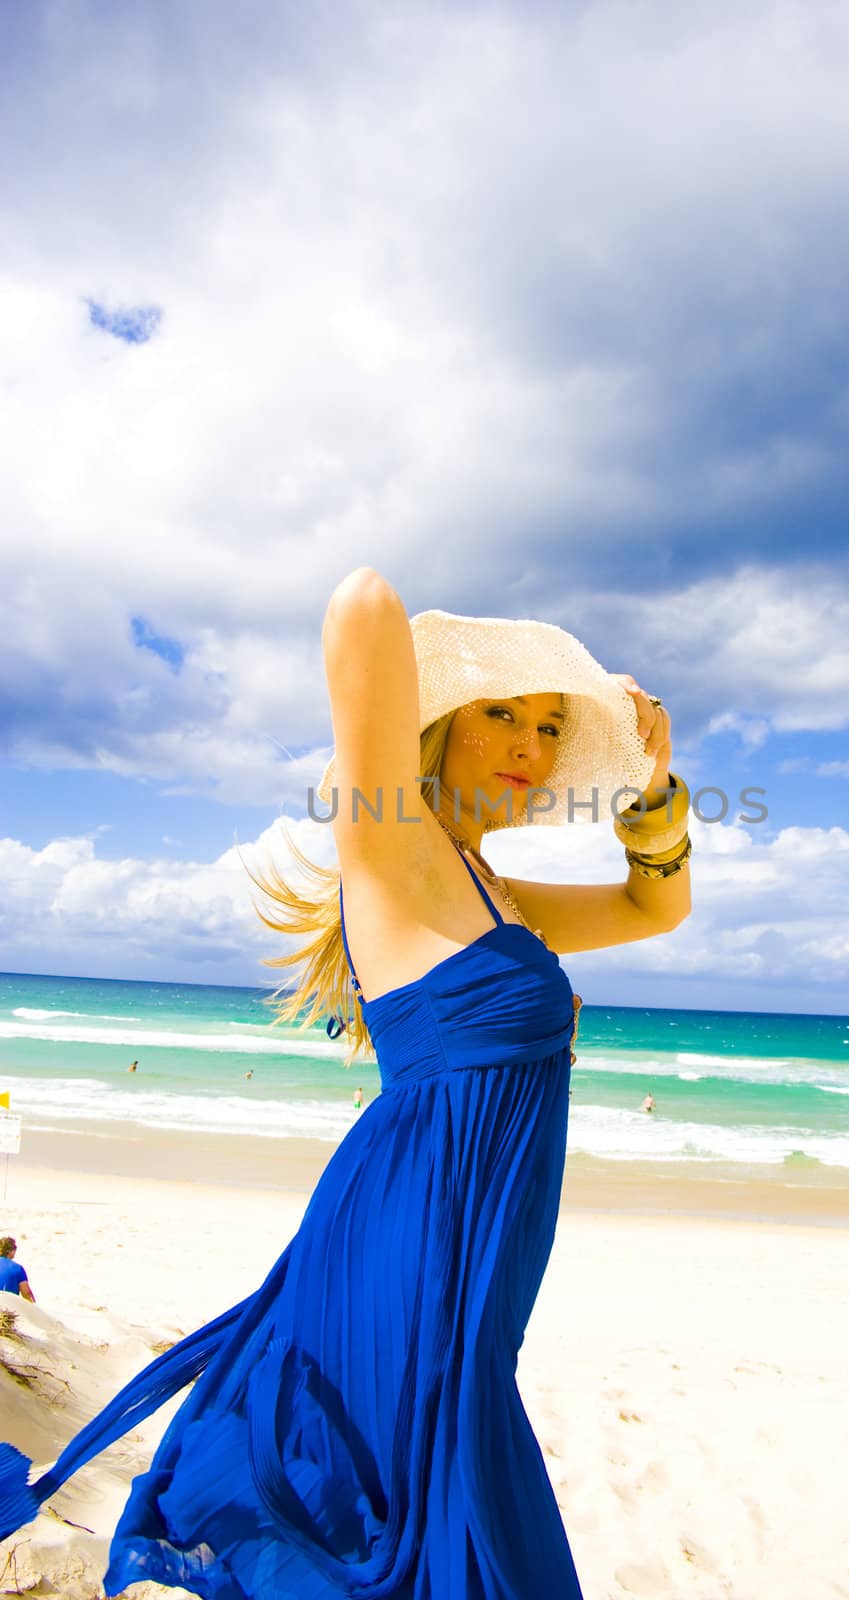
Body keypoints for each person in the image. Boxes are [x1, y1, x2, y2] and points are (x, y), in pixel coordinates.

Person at [0, 571, 693, 1598]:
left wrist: (649, 786)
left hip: (473, 1265)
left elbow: (656, 906)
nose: (527, 745)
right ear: (439, 727)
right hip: (406, 1243)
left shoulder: (494, 892)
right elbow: (360, 605)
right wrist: (533, 669)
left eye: (549, 728)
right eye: (498, 714)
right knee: (413, 1509)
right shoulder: (391, 847)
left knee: (446, 1495)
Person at [0, 1237, 35, 1302]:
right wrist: (34, 1308)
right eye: (15, 1248)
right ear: (9, 1251)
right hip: (7, 1307)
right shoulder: (17, 1268)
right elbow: (26, 1294)